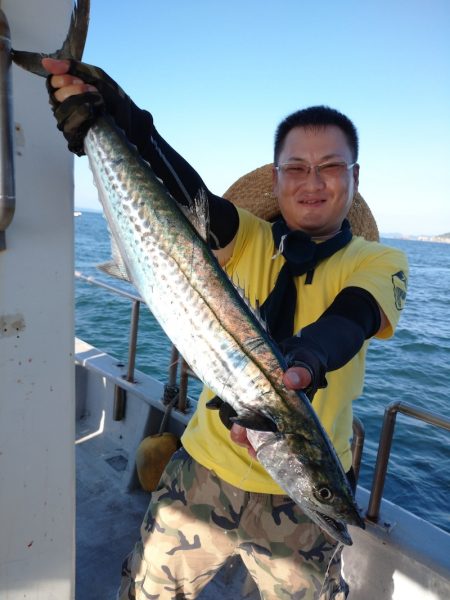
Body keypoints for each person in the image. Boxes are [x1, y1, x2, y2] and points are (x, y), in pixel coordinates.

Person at [43, 58, 408, 600]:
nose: (313, 181)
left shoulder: (379, 261)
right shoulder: (251, 238)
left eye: (331, 166)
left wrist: (304, 360)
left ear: (355, 177)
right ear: (278, 175)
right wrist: (116, 118)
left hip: (298, 506)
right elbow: (194, 201)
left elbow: (351, 319)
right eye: (296, 167)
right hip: (203, 469)